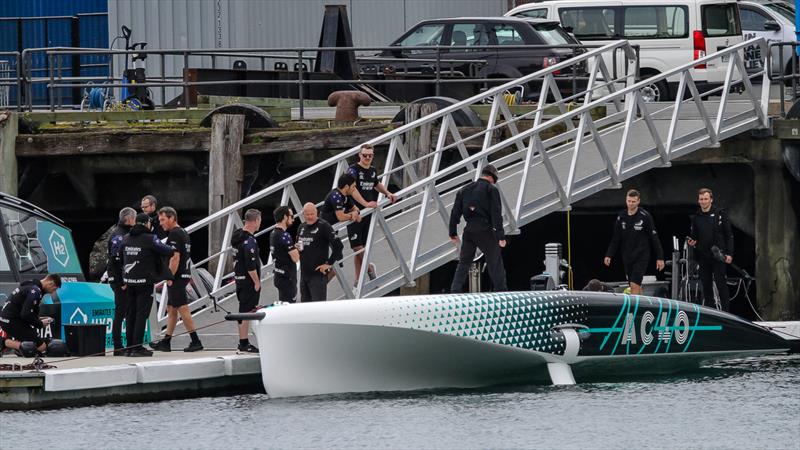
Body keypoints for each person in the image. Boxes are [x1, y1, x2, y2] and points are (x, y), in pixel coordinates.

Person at [150, 207, 203, 352]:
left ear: (172, 218)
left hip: (177, 277)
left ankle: (196, 341)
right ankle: (166, 342)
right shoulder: (183, 233)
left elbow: (175, 257)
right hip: (184, 274)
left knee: (182, 308)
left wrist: (169, 276)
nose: (161, 223)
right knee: (171, 309)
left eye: (163, 220)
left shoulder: (174, 234)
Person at [121, 213, 175, 356]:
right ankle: (137, 348)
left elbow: (120, 257)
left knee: (130, 314)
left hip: (129, 282)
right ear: (146, 224)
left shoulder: (126, 238)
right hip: (145, 283)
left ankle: (129, 347)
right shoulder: (150, 239)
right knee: (141, 315)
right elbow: (168, 251)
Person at [448, 164, 508, 293]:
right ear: (492, 178)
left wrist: (452, 232)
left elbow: (455, 213)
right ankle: (501, 291)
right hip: (485, 229)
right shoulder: (491, 190)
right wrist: (500, 236)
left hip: (469, 230)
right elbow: (496, 214)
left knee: (464, 262)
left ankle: (455, 290)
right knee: (494, 261)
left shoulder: (464, 190)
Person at [346, 144, 397, 284]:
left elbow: (376, 183)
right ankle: (369, 268)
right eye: (365, 155)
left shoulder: (373, 170)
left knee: (361, 246)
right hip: (355, 211)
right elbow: (352, 189)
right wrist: (365, 203)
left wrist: (387, 193)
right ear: (359, 155)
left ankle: (358, 279)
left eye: (370, 155)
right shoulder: (353, 170)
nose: (367, 158)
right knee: (356, 246)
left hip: (368, 214)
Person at [603, 189, 665, 295]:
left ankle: (634, 310)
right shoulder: (621, 217)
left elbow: (654, 237)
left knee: (634, 284)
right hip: (627, 255)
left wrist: (660, 257)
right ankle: (642, 307)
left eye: (633, 201)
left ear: (638, 201)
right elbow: (616, 238)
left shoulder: (645, 216)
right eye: (629, 201)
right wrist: (609, 254)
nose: (630, 204)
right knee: (635, 285)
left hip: (641, 255)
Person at [688, 188, 734, 311]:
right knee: (706, 286)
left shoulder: (720, 214)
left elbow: (729, 235)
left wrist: (729, 253)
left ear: (711, 200)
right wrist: (692, 242)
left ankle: (726, 313)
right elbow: (694, 237)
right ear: (698, 200)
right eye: (701, 199)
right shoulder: (696, 217)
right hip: (703, 256)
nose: (703, 201)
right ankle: (711, 312)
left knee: (721, 284)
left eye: (706, 199)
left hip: (718, 255)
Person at [0, 274, 62, 356]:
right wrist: (40, 323)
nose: (53, 292)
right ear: (50, 283)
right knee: (41, 346)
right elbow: (26, 314)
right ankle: (4, 343)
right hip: (11, 321)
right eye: (54, 289)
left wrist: (38, 320)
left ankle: (18, 347)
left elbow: (28, 312)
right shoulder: (35, 290)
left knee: (35, 344)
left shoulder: (31, 285)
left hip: (9, 319)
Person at [296, 202, 344, 302]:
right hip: (304, 275)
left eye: (312, 214)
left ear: (316, 212)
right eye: (307, 214)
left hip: (318, 275)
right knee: (305, 307)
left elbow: (338, 246)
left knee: (318, 306)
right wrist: (298, 247)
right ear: (303, 214)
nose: (310, 217)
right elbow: (299, 243)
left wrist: (329, 264)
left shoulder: (324, 226)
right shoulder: (302, 227)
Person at [230, 208, 262, 353]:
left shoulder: (237, 236)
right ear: (255, 221)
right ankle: (243, 342)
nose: (259, 224)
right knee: (247, 311)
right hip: (248, 281)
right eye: (259, 221)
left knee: (243, 308)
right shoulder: (249, 241)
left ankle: (243, 341)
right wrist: (257, 281)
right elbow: (251, 266)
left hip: (239, 278)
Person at [107, 206, 136, 356]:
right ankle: (118, 345)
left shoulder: (125, 233)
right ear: (129, 219)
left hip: (123, 278)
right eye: (134, 218)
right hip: (119, 280)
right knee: (120, 311)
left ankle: (126, 343)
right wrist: (121, 281)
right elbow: (115, 259)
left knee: (127, 310)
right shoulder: (119, 235)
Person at [270, 206, 300, 303]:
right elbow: (295, 258)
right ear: (285, 217)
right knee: (290, 306)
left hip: (279, 274)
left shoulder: (273, 233)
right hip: (287, 277)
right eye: (291, 216)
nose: (293, 219)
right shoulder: (284, 235)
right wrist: (297, 249)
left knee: (283, 304)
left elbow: (281, 250)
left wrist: (292, 247)